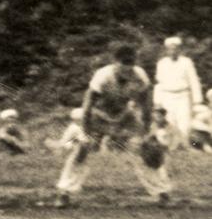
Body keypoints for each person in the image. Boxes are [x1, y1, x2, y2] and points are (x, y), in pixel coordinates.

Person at [53, 43, 171, 208]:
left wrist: (146, 131)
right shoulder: (103, 76)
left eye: (131, 64)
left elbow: (146, 105)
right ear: (115, 62)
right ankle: (64, 192)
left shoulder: (140, 76)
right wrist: (86, 133)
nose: (127, 69)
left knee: (147, 148)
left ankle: (162, 192)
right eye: (124, 64)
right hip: (98, 115)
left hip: (124, 116)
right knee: (82, 149)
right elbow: (87, 106)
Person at [153, 36, 202, 144]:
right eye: (170, 49)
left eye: (175, 48)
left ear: (179, 49)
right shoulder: (162, 63)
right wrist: (157, 101)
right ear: (167, 50)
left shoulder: (186, 62)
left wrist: (197, 100)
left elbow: (194, 80)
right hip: (167, 96)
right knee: (170, 121)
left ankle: (184, 144)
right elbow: (159, 84)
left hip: (183, 96)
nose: (173, 51)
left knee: (184, 121)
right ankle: (171, 145)